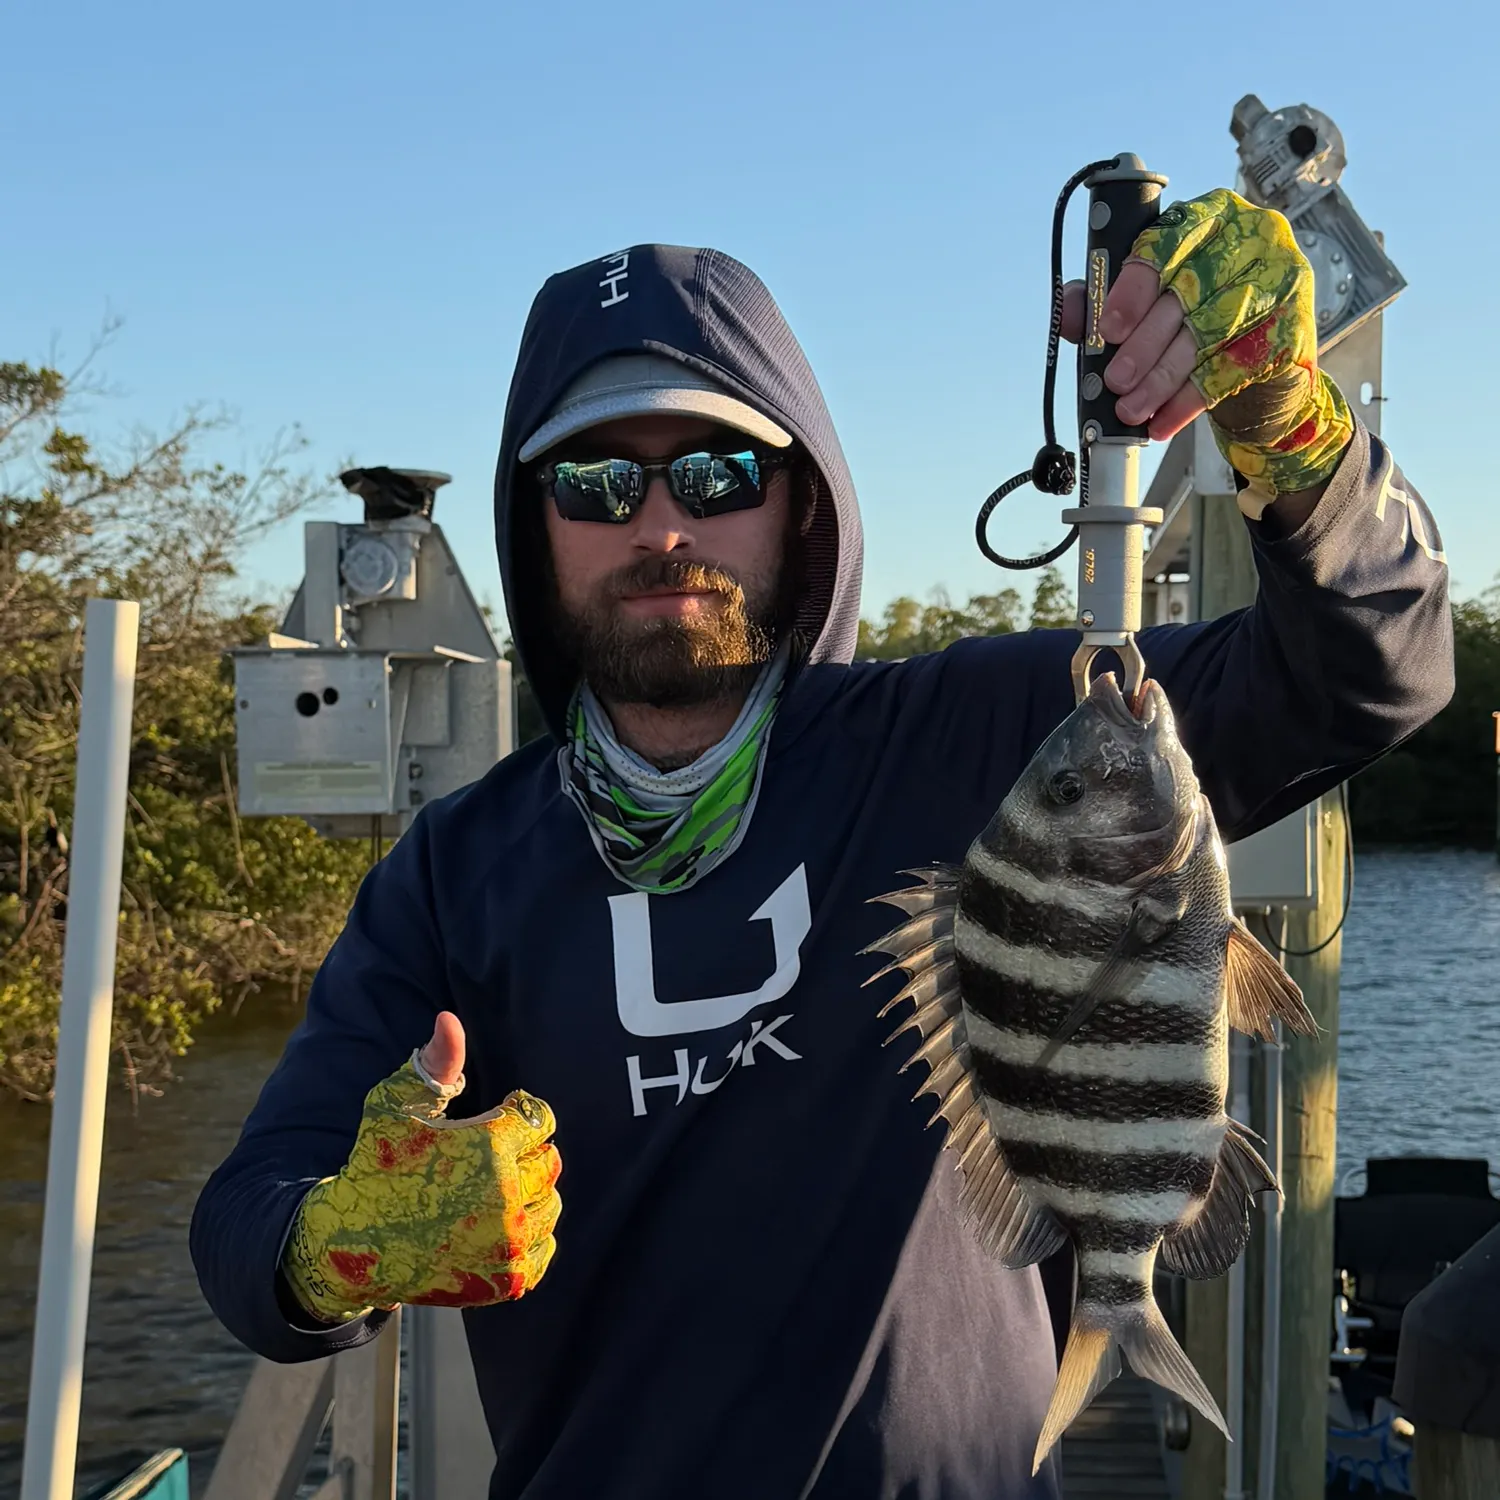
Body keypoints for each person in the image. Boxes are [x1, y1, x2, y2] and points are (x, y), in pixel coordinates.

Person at [192, 191, 1453, 1498]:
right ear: (537, 524)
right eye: (598, 479)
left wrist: (1291, 434)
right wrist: (328, 1246)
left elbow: (1370, 670)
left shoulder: (983, 734)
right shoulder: (456, 874)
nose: (661, 525)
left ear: (801, 505)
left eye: (720, 471)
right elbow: (244, 1221)